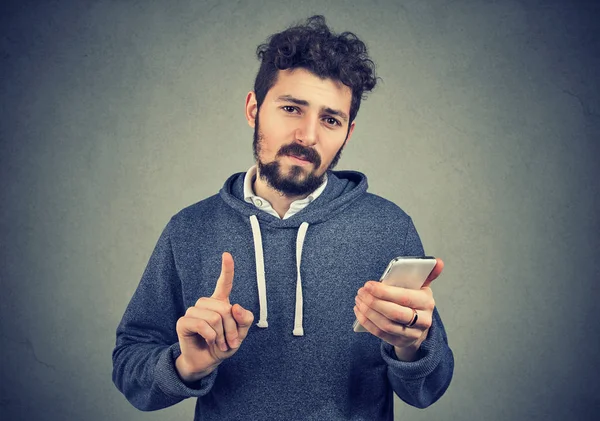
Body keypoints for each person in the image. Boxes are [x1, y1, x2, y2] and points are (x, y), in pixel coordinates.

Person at [112, 15, 454, 421]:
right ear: (254, 108)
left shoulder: (388, 227)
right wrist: (186, 365)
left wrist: (411, 346)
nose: (308, 135)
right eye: (292, 108)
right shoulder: (190, 229)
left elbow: (428, 390)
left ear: (348, 132)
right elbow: (130, 367)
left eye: (330, 119)